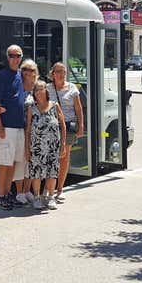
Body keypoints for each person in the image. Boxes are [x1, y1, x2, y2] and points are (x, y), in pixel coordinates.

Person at [0, 45, 26, 210]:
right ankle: (0, 196)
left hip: (19, 126)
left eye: (18, 55)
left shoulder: (21, 75)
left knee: (13, 162)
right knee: (4, 162)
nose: (15, 58)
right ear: (7, 57)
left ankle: (7, 194)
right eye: (12, 55)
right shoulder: (2, 76)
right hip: (6, 127)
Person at [25, 80, 66, 210]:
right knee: (36, 172)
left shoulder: (55, 106)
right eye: (36, 90)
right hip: (36, 147)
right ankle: (37, 198)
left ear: (46, 91)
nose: (39, 92)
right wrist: (27, 149)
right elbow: (28, 130)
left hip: (53, 146)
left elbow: (62, 125)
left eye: (41, 89)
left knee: (52, 172)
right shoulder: (32, 109)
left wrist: (63, 144)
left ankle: (50, 197)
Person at [50, 62, 85, 202]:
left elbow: (78, 109)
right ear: (53, 73)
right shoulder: (47, 88)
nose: (61, 74)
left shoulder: (72, 88)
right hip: (51, 127)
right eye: (58, 71)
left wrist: (81, 126)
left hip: (68, 126)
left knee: (64, 157)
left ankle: (60, 189)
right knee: (52, 157)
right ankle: (50, 189)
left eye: (63, 71)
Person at [14, 58, 39, 206]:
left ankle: (27, 189)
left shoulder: (38, 87)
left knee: (31, 160)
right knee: (20, 160)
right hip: (20, 128)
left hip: (35, 130)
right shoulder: (17, 86)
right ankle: (19, 192)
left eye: (31, 70)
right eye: (25, 69)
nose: (28, 73)